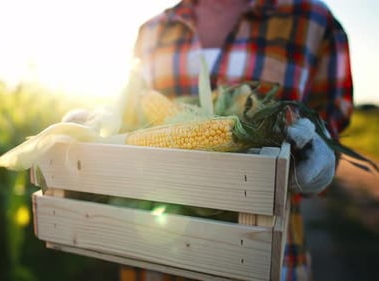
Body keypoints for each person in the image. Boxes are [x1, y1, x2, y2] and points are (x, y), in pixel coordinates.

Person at [118, 0, 353, 280]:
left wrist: (321, 153)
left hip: (262, 256)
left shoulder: (314, 21)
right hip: (157, 250)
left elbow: (331, 121)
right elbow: (130, 119)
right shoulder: (152, 30)